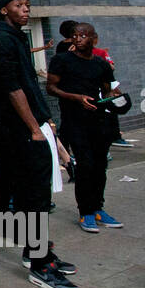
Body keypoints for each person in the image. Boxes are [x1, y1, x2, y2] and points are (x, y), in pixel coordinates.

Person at [0, 0, 79, 288]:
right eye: (18, 5)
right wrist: (34, 127)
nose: (25, 10)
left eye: (27, 5)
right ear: (4, 10)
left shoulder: (15, 37)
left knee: (35, 195)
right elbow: (12, 88)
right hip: (21, 129)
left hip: (32, 125)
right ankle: (40, 266)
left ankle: (37, 253)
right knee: (35, 197)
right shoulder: (0, 40)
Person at [47, 23, 122, 232]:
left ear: (94, 39)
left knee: (100, 166)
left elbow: (107, 91)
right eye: (74, 36)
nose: (78, 39)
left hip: (99, 122)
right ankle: (86, 211)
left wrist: (116, 101)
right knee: (85, 165)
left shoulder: (101, 64)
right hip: (74, 121)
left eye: (83, 35)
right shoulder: (61, 61)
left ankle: (98, 208)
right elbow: (51, 88)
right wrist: (76, 98)